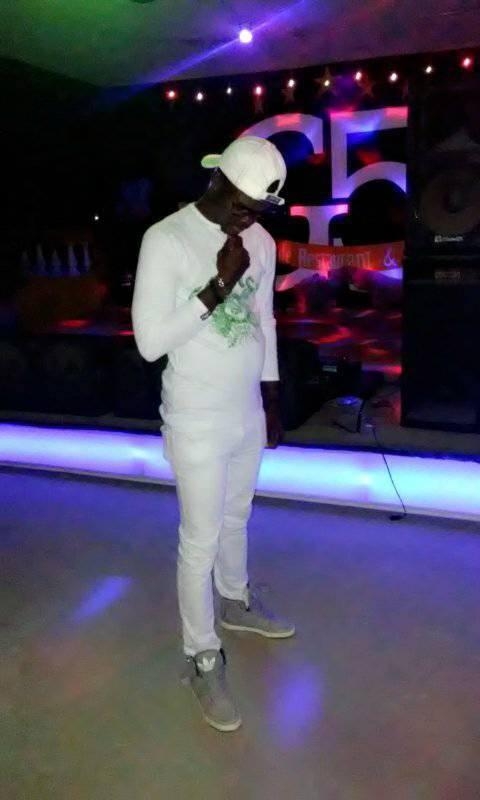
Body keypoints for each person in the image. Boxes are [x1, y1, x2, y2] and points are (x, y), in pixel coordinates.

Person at [132, 136, 295, 732]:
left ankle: (234, 599)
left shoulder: (262, 241)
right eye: (242, 207)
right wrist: (216, 287)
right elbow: (149, 342)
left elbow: (264, 320)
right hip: (196, 417)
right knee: (198, 539)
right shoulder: (167, 239)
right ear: (217, 181)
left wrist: (271, 399)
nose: (248, 221)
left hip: (245, 409)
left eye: (259, 211)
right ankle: (201, 655)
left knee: (237, 515)